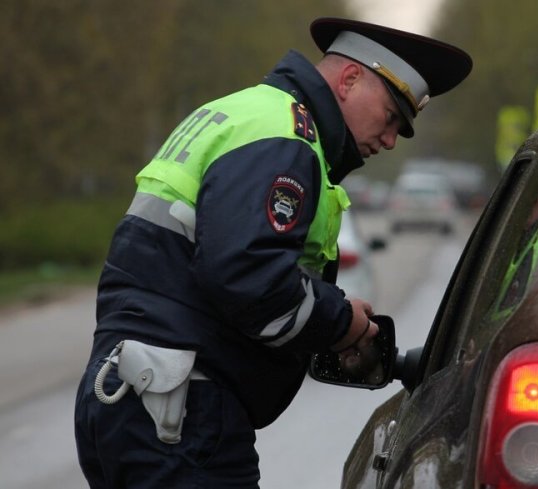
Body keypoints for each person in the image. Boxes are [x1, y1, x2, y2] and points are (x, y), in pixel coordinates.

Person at [74, 16, 472, 488]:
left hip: (129, 395)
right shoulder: (285, 137)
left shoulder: (240, 112)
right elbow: (247, 276)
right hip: (180, 414)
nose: (388, 140)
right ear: (349, 80)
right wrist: (346, 324)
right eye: (390, 118)